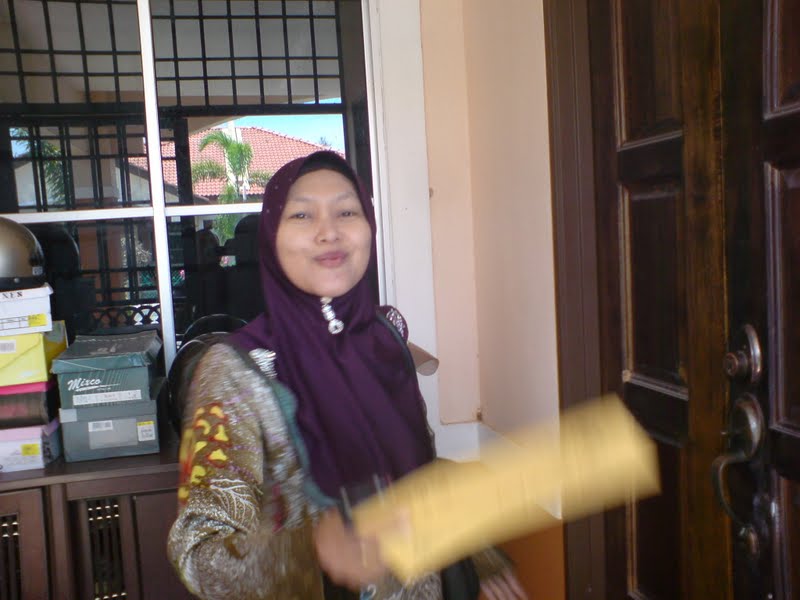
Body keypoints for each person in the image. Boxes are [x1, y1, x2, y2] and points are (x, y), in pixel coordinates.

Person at [167, 151, 526, 599]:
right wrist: (309, 552)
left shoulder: (384, 342)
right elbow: (199, 554)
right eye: (302, 214)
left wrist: (478, 555)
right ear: (272, 238)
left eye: (347, 212)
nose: (329, 231)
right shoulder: (235, 370)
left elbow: (421, 475)